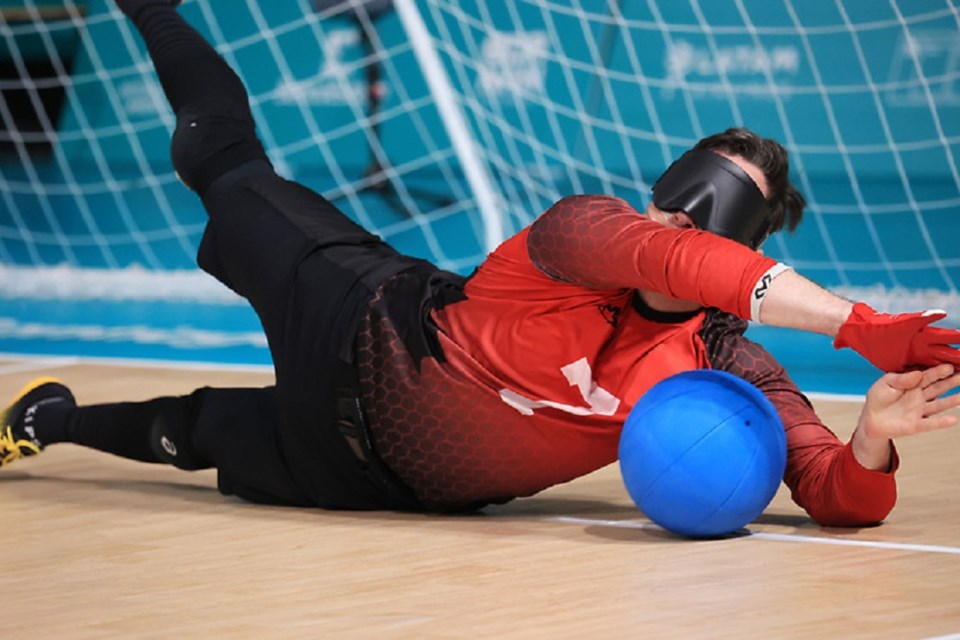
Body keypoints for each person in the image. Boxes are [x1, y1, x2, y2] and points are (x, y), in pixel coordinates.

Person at [3, 0, 960, 526]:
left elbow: (840, 495)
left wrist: (871, 431)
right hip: (357, 316)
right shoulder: (585, 233)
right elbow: (667, 251)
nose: (687, 213)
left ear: (743, 245)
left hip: (386, 485)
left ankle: (53, 419)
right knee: (220, 162)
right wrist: (863, 325)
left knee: (195, 432)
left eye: (726, 209)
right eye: (690, 189)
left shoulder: (727, 367)